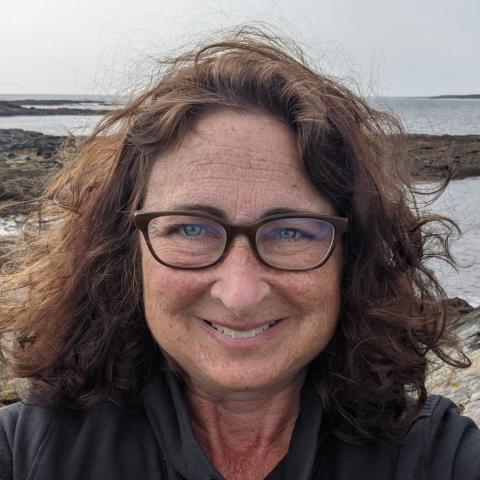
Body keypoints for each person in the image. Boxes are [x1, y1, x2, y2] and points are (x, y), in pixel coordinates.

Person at [0, 27, 479, 480]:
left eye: (291, 232)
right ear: (126, 253)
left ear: (351, 259)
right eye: (190, 228)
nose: (240, 294)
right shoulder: (28, 450)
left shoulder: (432, 454)